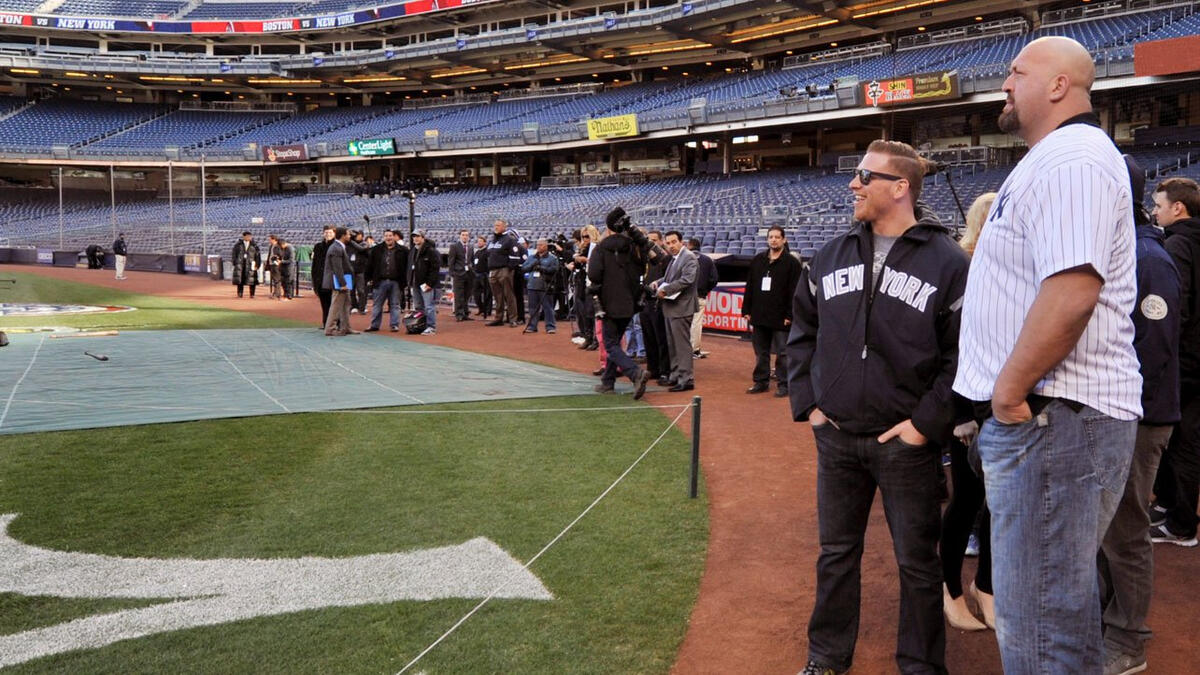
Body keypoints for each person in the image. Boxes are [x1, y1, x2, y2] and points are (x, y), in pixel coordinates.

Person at [952, 37, 1141, 673]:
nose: (1004, 83)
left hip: (1054, 416)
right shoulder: (1053, 158)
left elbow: (1072, 289)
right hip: (1048, 418)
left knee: (1039, 628)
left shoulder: (1074, 158)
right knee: (1050, 615)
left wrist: (1007, 393)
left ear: (1059, 85)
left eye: (1016, 71)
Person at [787, 139, 968, 675]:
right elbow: (802, 332)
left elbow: (965, 355)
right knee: (836, 555)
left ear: (899, 187)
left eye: (865, 176)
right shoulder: (831, 253)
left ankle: (920, 666)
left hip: (905, 442)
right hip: (837, 435)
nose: (853, 184)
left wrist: (924, 425)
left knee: (916, 564)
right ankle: (826, 657)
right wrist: (810, 405)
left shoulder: (948, 262)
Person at [1098, 156, 1181, 675]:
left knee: (1124, 531)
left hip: (1138, 416)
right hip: (1113, 410)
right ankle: (1109, 623)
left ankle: (1128, 641)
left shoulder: (1148, 257)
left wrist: (1118, 414)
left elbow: (1154, 349)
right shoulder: (1120, 246)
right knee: (1105, 530)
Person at [938, 193, 997, 633]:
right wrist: (961, 414)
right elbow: (956, 348)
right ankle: (950, 591)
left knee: (995, 505)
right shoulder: (964, 264)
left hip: (1003, 404)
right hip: (968, 408)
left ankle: (987, 587)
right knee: (967, 502)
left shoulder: (1005, 263)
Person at [1150, 176, 1200, 547]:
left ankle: (1181, 524)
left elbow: (1175, 308)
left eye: (1159, 206)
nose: (1154, 211)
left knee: (1181, 441)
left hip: (1187, 359)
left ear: (1177, 208)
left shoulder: (1179, 243)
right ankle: (1171, 508)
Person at [588, 206, 651, 399]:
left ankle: (635, 373)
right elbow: (642, 269)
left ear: (608, 229)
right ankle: (608, 382)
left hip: (608, 304)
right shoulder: (634, 247)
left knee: (610, 344)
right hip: (630, 303)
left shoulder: (601, 248)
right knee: (614, 341)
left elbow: (593, 275)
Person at [742, 226, 802, 397]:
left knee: (783, 353)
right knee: (761, 352)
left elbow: (795, 291)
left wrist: (790, 315)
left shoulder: (791, 263)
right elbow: (750, 286)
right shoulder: (758, 260)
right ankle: (761, 382)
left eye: (777, 237)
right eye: (771, 237)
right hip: (759, 314)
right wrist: (746, 309)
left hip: (781, 317)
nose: (773, 240)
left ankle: (784, 384)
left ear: (784, 240)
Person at [653, 231, 698, 392]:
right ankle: (676, 374)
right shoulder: (675, 259)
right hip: (671, 306)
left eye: (674, 242)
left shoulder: (689, 257)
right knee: (672, 344)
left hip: (682, 307)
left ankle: (686, 379)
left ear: (681, 242)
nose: (671, 246)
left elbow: (687, 280)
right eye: (668, 243)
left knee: (681, 345)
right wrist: (657, 282)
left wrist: (666, 290)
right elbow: (668, 279)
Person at [641, 230, 671, 383]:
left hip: (659, 302)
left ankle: (665, 370)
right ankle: (653, 368)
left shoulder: (665, 259)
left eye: (654, 240)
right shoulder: (645, 258)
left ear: (660, 241)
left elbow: (669, 279)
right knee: (648, 338)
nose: (651, 243)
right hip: (645, 301)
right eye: (649, 240)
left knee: (661, 338)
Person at [365, 229, 407, 332]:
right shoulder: (376, 250)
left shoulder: (404, 250)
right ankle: (374, 325)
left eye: (390, 236)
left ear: (394, 237)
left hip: (396, 282)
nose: (388, 238)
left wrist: (405, 281)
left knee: (395, 304)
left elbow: (406, 266)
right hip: (380, 281)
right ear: (384, 237)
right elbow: (370, 265)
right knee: (377, 304)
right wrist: (369, 278)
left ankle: (394, 325)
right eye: (386, 236)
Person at [687, 237, 719, 359]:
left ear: (690, 245)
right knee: (696, 323)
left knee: (683, 323)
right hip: (700, 296)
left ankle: (684, 349)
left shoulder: (684, 258)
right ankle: (694, 350)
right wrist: (705, 290)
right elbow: (714, 279)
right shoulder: (707, 259)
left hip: (684, 296)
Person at [486, 219, 521, 327]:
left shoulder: (509, 240)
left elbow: (515, 256)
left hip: (504, 270)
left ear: (504, 227)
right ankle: (498, 318)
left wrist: (508, 269)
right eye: (495, 225)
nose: (496, 227)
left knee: (508, 295)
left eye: (498, 225)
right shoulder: (493, 240)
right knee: (497, 296)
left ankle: (513, 319)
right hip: (493, 271)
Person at [522, 238, 560, 333]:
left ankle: (550, 327)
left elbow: (555, 269)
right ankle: (532, 326)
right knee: (532, 308)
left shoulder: (552, 258)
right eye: (538, 245)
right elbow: (523, 268)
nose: (538, 247)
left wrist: (542, 268)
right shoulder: (532, 257)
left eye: (541, 245)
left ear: (546, 246)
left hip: (545, 286)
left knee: (548, 308)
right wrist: (532, 266)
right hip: (532, 285)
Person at [323, 227, 356, 336]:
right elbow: (337, 268)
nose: (349, 236)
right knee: (336, 305)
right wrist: (342, 284)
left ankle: (346, 327)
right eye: (348, 234)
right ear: (343, 236)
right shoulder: (336, 248)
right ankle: (330, 329)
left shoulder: (339, 247)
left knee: (346, 305)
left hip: (342, 281)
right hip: (339, 283)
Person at [409, 230, 441, 336]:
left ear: (423, 237)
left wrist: (430, 284)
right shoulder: (413, 250)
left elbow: (435, 269)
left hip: (425, 284)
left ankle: (431, 327)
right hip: (415, 283)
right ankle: (420, 325)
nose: (415, 238)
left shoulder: (431, 251)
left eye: (417, 236)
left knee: (429, 306)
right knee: (418, 307)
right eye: (414, 236)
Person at [448, 229, 474, 322]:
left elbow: (471, 260)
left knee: (467, 294)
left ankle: (465, 313)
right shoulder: (454, 246)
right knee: (459, 295)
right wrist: (452, 273)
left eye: (466, 235)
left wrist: (472, 270)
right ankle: (459, 314)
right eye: (463, 235)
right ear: (460, 236)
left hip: (469, 274)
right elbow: (451, 260)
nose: (465, 236)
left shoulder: (470, 247)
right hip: (458, 273)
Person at [311, 226, 335, 327]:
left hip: (332, 280)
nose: (328, 234)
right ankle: (326, 323)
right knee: (324, 304)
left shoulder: (337, 245)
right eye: (326, 232)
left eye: (330, 232)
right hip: (320, 279)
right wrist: (314, 280)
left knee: (334, 304)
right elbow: (315, 264)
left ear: (334, 233)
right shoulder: (318, 246)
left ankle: (334, 323)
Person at [231, 231, 261, 299]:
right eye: (247, 236)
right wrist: (235, 262)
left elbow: (258, 255)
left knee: (252, 280)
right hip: (240, 265)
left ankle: (252, 294)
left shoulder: (254, 245)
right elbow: (234, 254)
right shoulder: (238, 245)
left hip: (251, 264)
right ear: (244, 236)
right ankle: (240, 294)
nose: (249, 238)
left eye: (250, 236)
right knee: (240, 280)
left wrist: (257, 264)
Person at [472, 235, 492, 318]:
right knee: (476, 294)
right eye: (478, 241)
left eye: (481, 241)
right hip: (477, 275)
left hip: (485, 275)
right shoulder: (477, 252)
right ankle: (481, 308)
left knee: (487, 294)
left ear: (485, 242)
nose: (479, 242)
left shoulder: (487, 252)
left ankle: (487, 310)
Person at [349, 230, 369, 314]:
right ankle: (354, 306)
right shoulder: (350, 244)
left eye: (358, 235)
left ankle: (362, 307)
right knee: (351, 290)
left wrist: (351, 241)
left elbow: (361, 249)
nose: (356, 236)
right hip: (351, 270)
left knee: (361, 290)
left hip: (360, 270)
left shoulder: (364, 243)